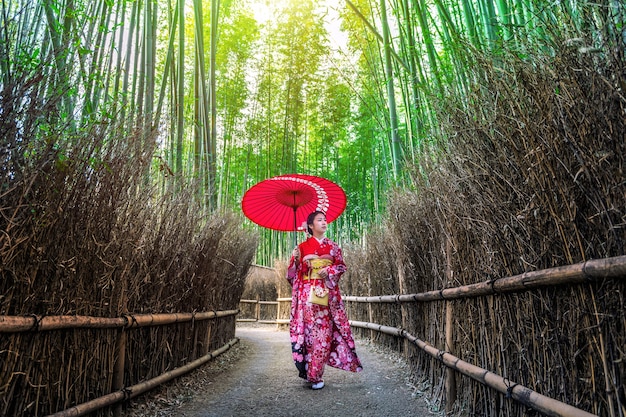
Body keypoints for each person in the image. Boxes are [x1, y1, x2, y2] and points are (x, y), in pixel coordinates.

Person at [286, 210, 363, 390]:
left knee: (323, 335)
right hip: (307, 297)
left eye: (325, 220)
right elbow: (293, 275)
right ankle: (311, 373)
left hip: (326, 296)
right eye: (319, 220)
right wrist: (296, 261)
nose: (324, 222)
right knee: (309, 336)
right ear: (310, 226)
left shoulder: (333, 247)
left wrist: (328, 271)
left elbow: (341, 266)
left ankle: (315, 374)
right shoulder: (302, 247)